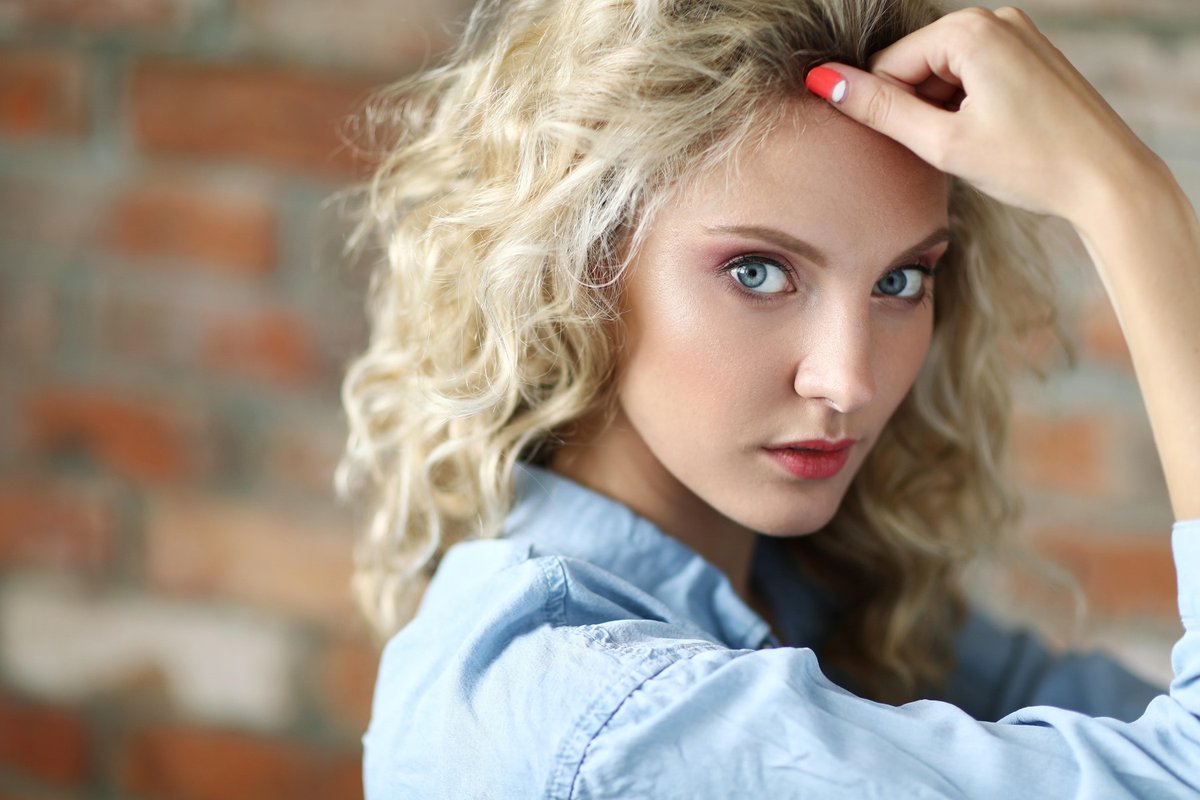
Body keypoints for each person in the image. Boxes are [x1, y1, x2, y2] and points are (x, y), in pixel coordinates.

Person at [337, 0, 1200, 796]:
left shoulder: (803, 595)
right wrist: (1128, 201)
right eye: (757, 272)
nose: (850, 380)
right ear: (580, 267)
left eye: (901, 280)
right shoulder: (594, 711)